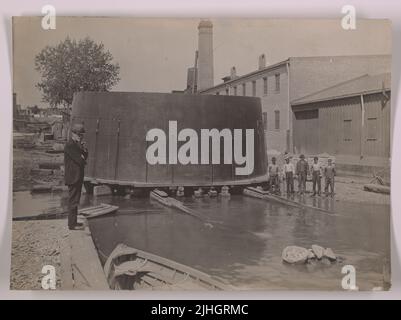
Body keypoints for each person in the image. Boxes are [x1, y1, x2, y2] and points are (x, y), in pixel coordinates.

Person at [64, 123, 88, 230]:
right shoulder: (70, 145)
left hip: (77, 177)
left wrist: (83, 149)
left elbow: (84, 157)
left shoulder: (76, 145)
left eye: (82, 135)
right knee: (73, 201)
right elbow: (80, 160)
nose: (81, 137)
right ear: (74, 134)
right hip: (73, 177)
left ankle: (74, 222)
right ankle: (71, 224)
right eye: (80, 135)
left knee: (75, 200)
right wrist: (82, 157)